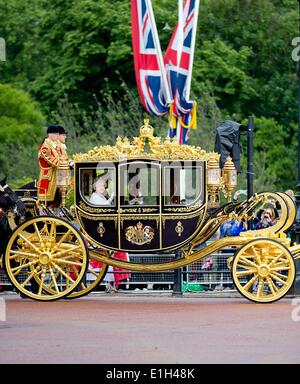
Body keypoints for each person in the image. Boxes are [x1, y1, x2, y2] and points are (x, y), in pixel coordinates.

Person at [37, 125, 61, 207]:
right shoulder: (45, 146)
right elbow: (51, 160)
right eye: (55, 134)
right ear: (49, 134)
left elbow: (62, 156)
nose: (57, 136)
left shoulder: (56, 145)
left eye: (57, 134)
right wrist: (63, 164)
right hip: (48, 174)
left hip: (56, 174)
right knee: (45, 197)